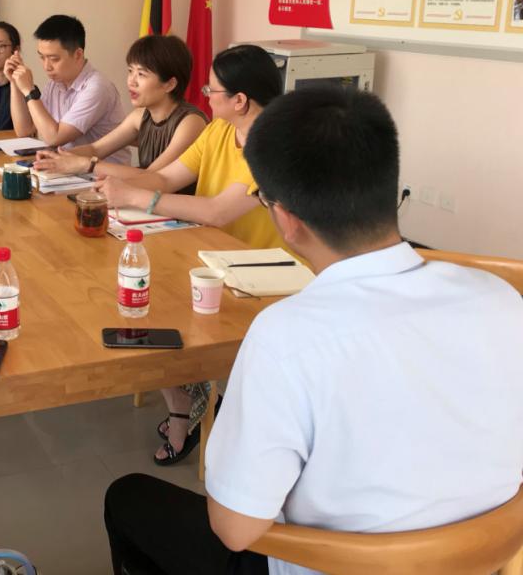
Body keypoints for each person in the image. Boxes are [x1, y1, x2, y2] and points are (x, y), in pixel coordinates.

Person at [103, 87, 523, 575]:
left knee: (128, 498)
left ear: (285, 218)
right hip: (484, 559)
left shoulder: (286, 334)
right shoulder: (502, 299)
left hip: (327, 566)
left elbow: (234, 528)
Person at [95, 44, 285, 466]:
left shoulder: (275, 146)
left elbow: (217, 212)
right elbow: (166, 178)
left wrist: (137, 198)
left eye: (211, 90)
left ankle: (195, 403)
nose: (205, 96)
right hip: (206, 256)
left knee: (153, 307)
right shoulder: (218, 131)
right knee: (136, 300)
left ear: (240, 100)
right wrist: (108, 180)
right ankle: (185, 395)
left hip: (257, 273)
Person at [33, 34, 206, 182]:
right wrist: (57, 157)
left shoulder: (191, 122)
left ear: (170, 84)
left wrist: (87, 165)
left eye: (141, 74)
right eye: (130, 71)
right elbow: (96, 149)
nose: (131, 81)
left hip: (178, 208)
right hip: (146, 201)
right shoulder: (140, 115)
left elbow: (153, 177)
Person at [6, 14, 128, 163]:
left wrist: (29, 91)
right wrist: (14, 82)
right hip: (68, 169)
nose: (46, 66)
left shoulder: (97, 87)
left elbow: (54, 138)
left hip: (102, 173)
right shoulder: (55, 84)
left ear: (78, 54)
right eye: (42, 57)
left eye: (54, 59)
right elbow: (24, 130)